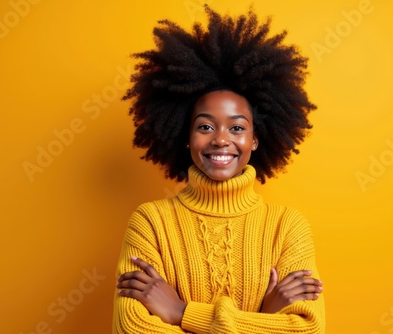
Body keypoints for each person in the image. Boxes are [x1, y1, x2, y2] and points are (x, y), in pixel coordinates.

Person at [113, 6, 325, 333]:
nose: (221, 140)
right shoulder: (150, 223)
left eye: (237, 128)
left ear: (255, 139)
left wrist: (181, 312)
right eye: (206, 127)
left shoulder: (287, 227)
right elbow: (133, 328)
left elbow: (308, 329)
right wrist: (265, 321)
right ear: (185, 137)